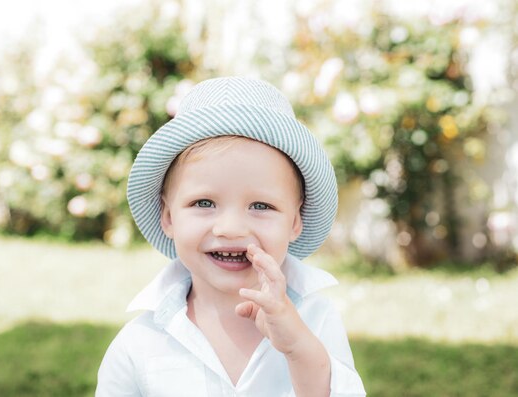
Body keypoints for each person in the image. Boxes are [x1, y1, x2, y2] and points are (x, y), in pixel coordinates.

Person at [95, 77, 366, 396]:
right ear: (169, 217)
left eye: (261, 206)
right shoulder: (139, 343)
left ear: (295, 221)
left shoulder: (316, 320)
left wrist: (299, 349)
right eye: (204, 203)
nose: (231, 228)